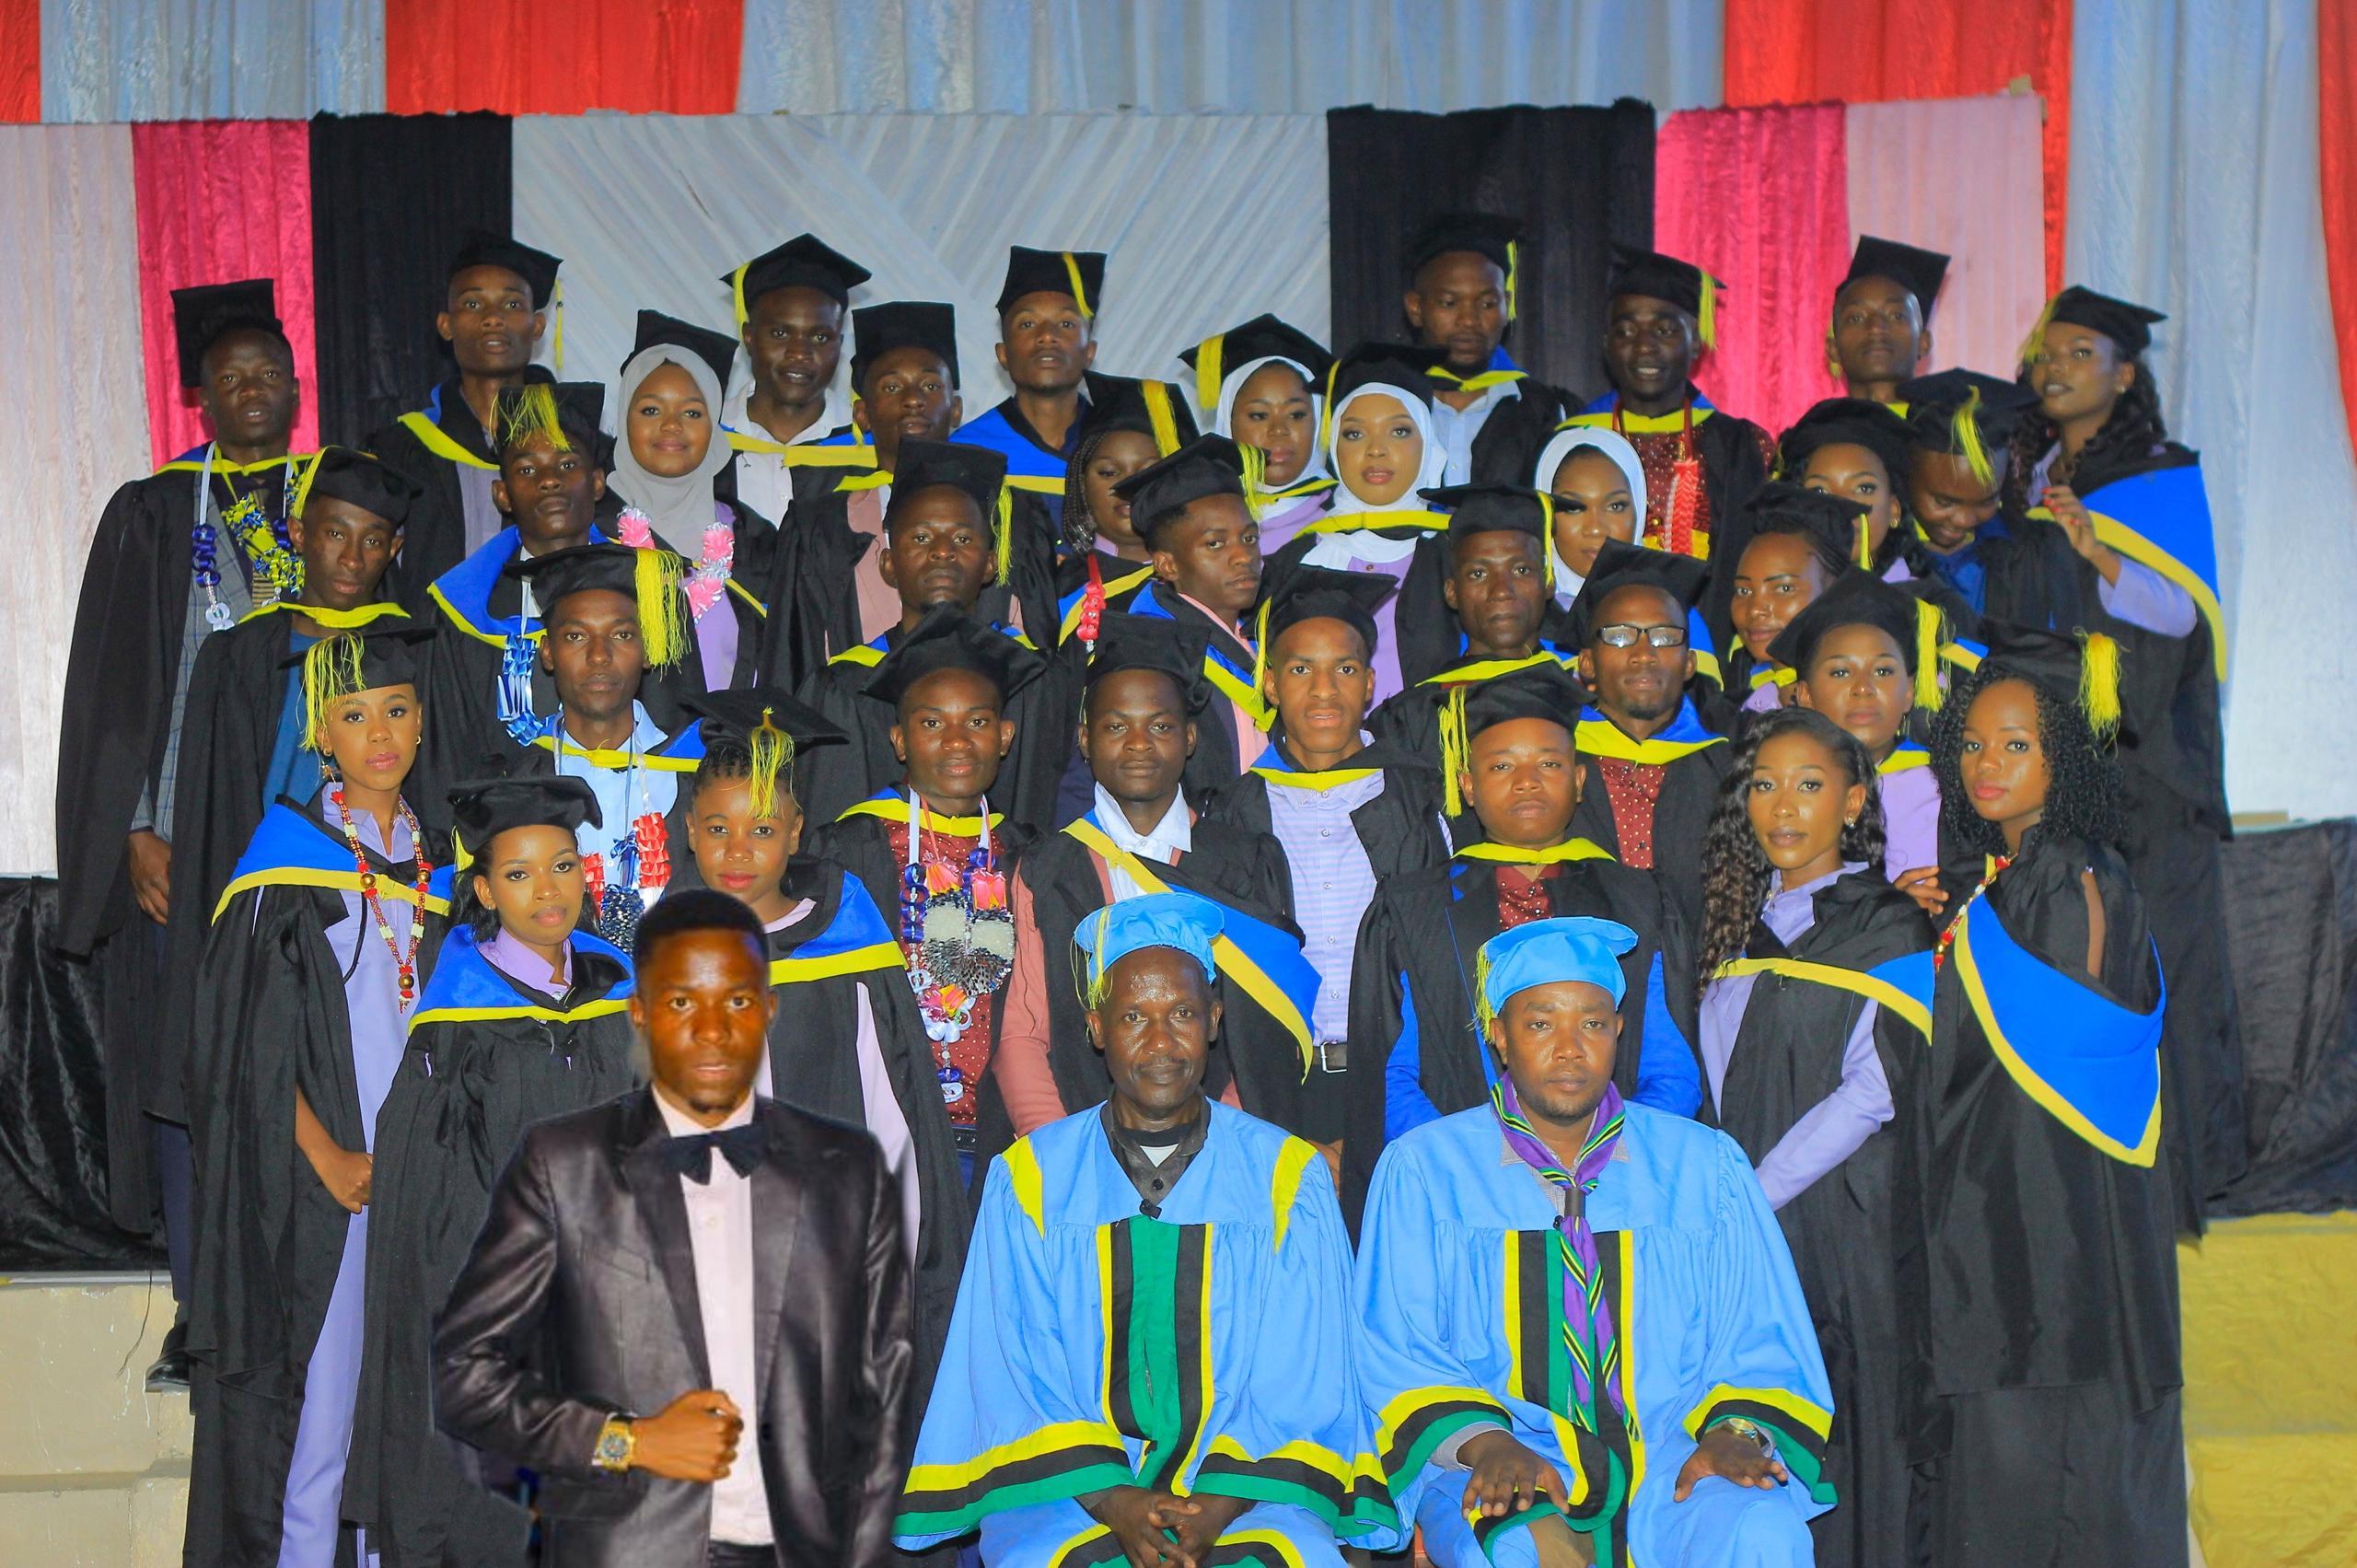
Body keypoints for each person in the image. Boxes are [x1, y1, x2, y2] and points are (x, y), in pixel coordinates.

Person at [895, 892, 1391, 1566]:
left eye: (1182, 1013)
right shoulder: (1032, 1179)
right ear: (1096, 1027)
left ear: (1214, 1021)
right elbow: (1011, 1365)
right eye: (1134, 1016)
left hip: (1250, 1493)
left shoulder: (1285, 1177)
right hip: (1071, 1492)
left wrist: (1217, 1504)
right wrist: (1114, 1499)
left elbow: (1306, 1369)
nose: (1161, 1042)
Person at [431, 889, 915, 1567]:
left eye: (737, 1001)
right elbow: (465, 1375)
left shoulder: (847, 1167)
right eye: (683, 1001)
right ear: (639, 1012)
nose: (712, 1030)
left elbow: (885, 1391)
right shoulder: (563, 1163)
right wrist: (626, 1442)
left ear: (769, 1009)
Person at [1354, 915, 1834, 1568]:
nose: (1570, 1048)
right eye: (1540, 1023)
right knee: (1517, 1550)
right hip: (1510, 1455)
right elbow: (1395, 1347)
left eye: (1592, 1023)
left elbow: (1761, 1330)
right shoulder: (1426, 1170)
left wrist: (1736, 1430)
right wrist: (1483, 1441)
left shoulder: (1704, 1165)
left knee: (1765, 1533)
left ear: (1618, 1030)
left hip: (1673, 1451)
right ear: (1499, 1035)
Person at [56, 276, 306, 1379]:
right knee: (185, 1071)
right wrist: (134, 829)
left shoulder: (335, 501)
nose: (251, 388)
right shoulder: (154, 511)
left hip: (306, 839)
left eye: (269, 372)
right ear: (200, 395)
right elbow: (115, 690)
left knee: (305, 1068)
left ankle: (297, 1294)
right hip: (180, 843)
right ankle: (204, 1307)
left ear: (294, 389)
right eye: (229, 375)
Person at [1910, 627, 2183, 1565]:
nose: (1986, 764)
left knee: (2049, 1483)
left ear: (2062, 753)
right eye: (1972, 743)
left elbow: (2065, 1072)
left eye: (2016, 744)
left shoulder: (2066, 878)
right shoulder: (2033, 873)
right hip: (2030, 1229)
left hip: (2045, 1244)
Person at [181, 627, 453, 1566]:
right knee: (322, 1421)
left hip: (420, 1185)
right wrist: (327, 1157)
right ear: (321, 734)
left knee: (402, 1420)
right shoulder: (285, 860)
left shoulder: (447, 863)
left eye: (396, 709)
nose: (379, 732)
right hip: (327, 1187)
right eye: (354, 714)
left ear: (422, 721)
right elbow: (241, 1048)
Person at [350, 773, 638, 1566]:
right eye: (519, 873)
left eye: (562, 865)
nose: (547, 889)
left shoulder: (621, 992)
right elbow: (430, 1213)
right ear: (483, 889)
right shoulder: (458, 1021)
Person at [2014, 284, 2239, 1223]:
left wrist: (2098, 549)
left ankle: (2176, 1175)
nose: (2056, 368)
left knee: (2160, 965)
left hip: (2149, 775)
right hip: (2065, 765)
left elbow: (2179, 616)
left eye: (2080, 353)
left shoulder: (2158, 476)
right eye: (2048, 352)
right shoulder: (2030, 474)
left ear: (2122, 373)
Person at [669, 687, 969, 1389]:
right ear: (689, 830)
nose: (738, 850)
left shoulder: (846, 941)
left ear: (797, 830)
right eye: (718, 828)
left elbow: (894, 1122)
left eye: (762, 829)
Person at [1693, 707, 1934, 1568]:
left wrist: (1756, 1190)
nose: (1784, 806)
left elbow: (1875, 1087)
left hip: (1850, 1217)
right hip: (1747, 1219)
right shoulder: (1731, 922)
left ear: (1853, 800)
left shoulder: (1890, 924)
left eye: (1809, 784)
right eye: (1764, 785)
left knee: (1856, 1423)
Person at [1344, 661, 1701, 1228]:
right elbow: (1391, 1076)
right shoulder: (1412, 910)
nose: (1527, 781)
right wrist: (1473, 1166)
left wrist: (1600, 1162)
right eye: (1502, 765)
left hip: (1615, 1191)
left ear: (1580, 780)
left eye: (1549, 763)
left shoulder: (1641, 900)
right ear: (1467, 785)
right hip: (1460, 1197)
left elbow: (1671, 1068)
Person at [992, 617, 1320, 1152]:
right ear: (1085, 740)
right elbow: (1022, 1033)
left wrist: (1220, 1145)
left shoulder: (1244, 861)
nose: (1139, 744)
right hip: (1079, 1140)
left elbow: (1269, 1029)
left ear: (1189, 738)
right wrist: (1063, 1151)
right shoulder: (1046, 868)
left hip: (1223, 1148)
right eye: (1116, 727)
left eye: (1161, 726)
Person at [1205, 563, 1453, 1156]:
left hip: (1403, 1078)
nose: (1323, 690)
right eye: (1300, 669)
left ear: (1370, 683)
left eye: (1344, 669)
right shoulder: (1234, 814)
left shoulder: (1418, 799)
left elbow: (1439, 955)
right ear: (1270, 685)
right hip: (1279, 1088)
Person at [804, 607, 1049, 1187]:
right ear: (900, 740)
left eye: (977, 721)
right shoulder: (849, 850)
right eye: (933, 723)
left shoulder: (1033, 856)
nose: (957, 741)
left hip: (1001, 1141)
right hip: (886, 1138)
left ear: (1005, 737)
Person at [793, 440, 1068, 825]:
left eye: (963, 539)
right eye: (921, 538)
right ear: (888, 565)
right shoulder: (845, 687)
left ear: (990, 565)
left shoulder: (1030, 681)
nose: (942, 551)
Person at [1564, 243, 1775, 643]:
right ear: (1606, 343)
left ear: (1696, 341)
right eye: (1626, 331)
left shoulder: (1741, 447)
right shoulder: (1572, 442)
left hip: (1710, 645)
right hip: (1597, 642)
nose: (1644, 345)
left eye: (1664, 330)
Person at [504, 542, 708, 945]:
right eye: (576, 636)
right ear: (548, 652)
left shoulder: (696, 774)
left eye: (621, 634)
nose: (599, 655)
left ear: (647, 649)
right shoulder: (513, 785)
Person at [758, 300, 968, 688]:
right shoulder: (817, 527)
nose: (913, 399)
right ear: (862, 414)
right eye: (892, 387)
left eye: (930, 386)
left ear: (956, 410)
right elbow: (790, 664)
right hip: (845, 722)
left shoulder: (1003, 519)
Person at [426, 380, 615, 759]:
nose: (549, 480)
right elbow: (448, 751)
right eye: (527, 470)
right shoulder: (464, 608)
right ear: (503, 495)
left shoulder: (645, 592)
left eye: (566, 464)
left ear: (597, 482)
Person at [1260, 342, 1458, 700]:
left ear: (1428, 442)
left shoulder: (1456, 555)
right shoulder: (1295, 562)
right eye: (1354, 433)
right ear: (1334, 448)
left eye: (1399, 431)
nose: (1375, 449)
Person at [370, 231, 562, 600]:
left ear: (537, 326)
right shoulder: (401, 450)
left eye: (512, 304)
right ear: (446, 325)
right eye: (473, 304)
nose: (493, 318)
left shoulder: (575, 446)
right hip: (430, 635)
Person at [1564, 540, 1734, 933]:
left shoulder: (1729, 768)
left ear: (1690, 662)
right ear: (1586, 663)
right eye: (1620, 636)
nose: (1644, 653)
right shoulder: (1554, 765)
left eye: (1664, 636)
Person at [610, 309, 772, 693]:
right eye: (651, 410)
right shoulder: (591, 535)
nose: (671, 425)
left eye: (692, 412)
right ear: (624, 419)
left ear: (714, 429)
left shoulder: (757, 543)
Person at [1096, 434, 1269, 787]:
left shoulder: (1256, 638)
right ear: (1167, 565)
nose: (1243, 556)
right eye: (1215, 543)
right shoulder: (1149, 653)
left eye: (1249, 538)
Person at [1768, 570, 1951, 903]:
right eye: (1841, 672)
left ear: (1909, 692)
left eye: (1883, 671)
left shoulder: (1947, 791)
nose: (1864, 688)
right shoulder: (1775, 793)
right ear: (1804, 696)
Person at [952, 245, 1198, 494]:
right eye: (1027, 324)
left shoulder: (1120, 449)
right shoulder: (967, 452)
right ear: (1003, 354)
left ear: (1089, 352)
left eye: (1066, 324)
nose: (1047, 335)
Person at [1367, 482, 1569, 769]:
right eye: (1478, 574)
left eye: (1520, 570)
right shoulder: (1412, 716)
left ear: (1548, 582)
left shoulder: (1579, 703)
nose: (1501, 590)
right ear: (1452, 592)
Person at [1898, 367, 2084, 633]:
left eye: (1985, 502)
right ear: (1908, 475)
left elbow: (2065, 649)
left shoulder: (2037, 553)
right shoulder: (1881, 553)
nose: (1963, 520)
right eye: (1943, 502)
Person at [1399, 212, 1575, 485]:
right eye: (1449, 303)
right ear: (1415, 308)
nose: (1469, 320)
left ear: (1507, 304)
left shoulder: (1544, 412)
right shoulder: (1386, 401)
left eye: (1487, 304)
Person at [719, 232, 875, 522]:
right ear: (749, 338)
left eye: (820, 337)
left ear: (840, 345)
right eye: (780, 333)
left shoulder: (868, 447)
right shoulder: (708, 438)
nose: (799, 353)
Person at [1724, 482, 1865, 712]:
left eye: (1784, 588)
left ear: (1836, 592)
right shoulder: (1739, 692)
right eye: (1743, 591)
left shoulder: (1860, 703)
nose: (1756, 608)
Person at [1176, 311, 1337, 509]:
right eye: (1259, 415)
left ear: (1318, 422)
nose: (1278, 430)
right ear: (1228, 423)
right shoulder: (1199, 516)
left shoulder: (1347, 517)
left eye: (1296, 414)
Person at [1775, 395, 1926, 581]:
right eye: (1820, 491)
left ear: (1894, 510)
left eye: (1864, 489)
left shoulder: (1921, 598)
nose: (1842, 508)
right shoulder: (1774, 595)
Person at [1826, 236, 1948, 405]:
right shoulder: (1817, 422)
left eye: (1897, 316)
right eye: (1856, 318)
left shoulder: (1953, 421)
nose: (1876, 327)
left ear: (1924, 342)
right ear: (1833, 349)